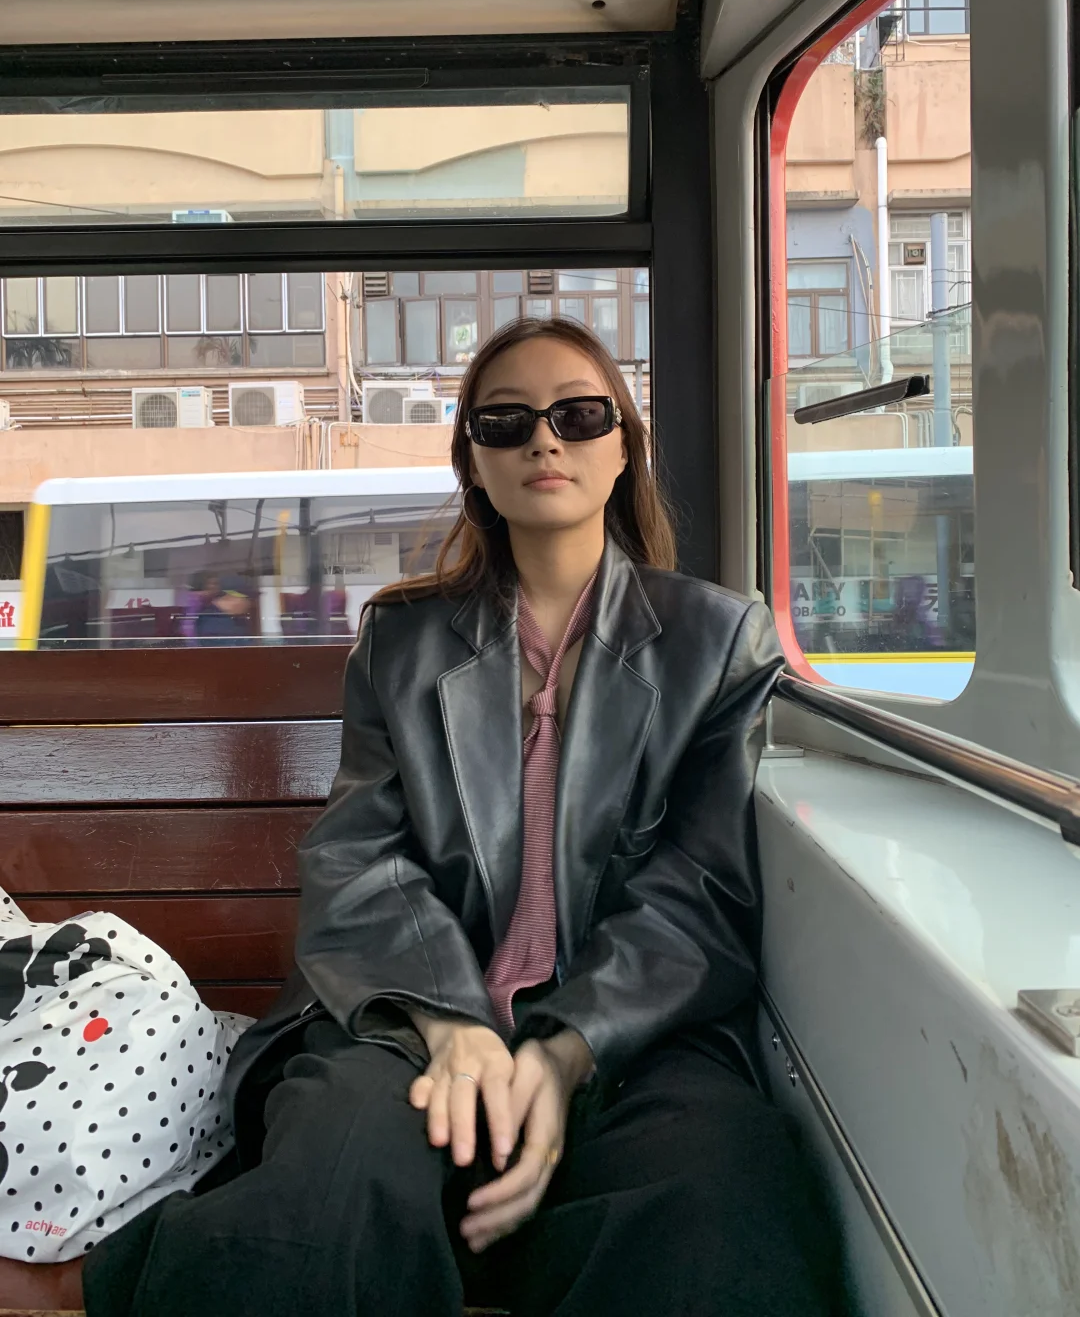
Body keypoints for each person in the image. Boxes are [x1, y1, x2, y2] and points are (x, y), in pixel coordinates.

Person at [83, 317, 837, 1317]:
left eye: (579, 415)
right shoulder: (402, 645)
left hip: (632, 1037)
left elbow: (697, 894)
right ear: (474, 461)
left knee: (714, 1208)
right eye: (506, 421)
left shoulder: (716, 640)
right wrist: (453, 1024)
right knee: (332, 1183)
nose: (545, 440)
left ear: (624, 446)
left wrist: (566, 1049)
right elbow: (361, 856)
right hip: (405, 1017)